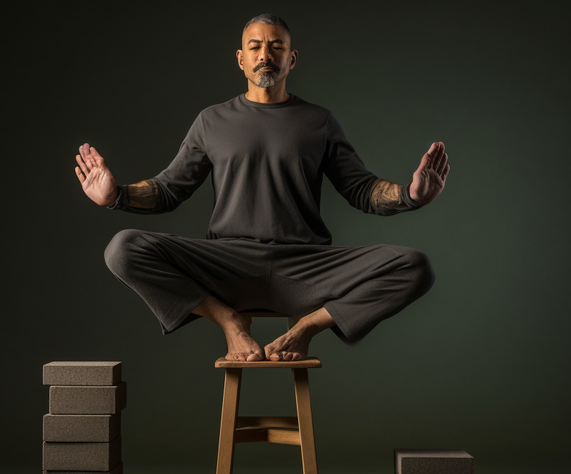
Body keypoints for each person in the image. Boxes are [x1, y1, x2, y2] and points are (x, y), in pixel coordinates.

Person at [74, 14, 449, 362]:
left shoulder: (319, 121)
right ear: (241, 59)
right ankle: (230, 323)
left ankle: (307, 328)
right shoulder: (212, 120)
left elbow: (361, 189)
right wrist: (116, 196)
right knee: (122, 249)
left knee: (415, 267)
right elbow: (169, 190)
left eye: (276, 46)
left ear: (292, 59)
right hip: (227, 264)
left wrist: (409, 195)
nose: (265, 55)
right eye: (255, 46)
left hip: (307, 266)